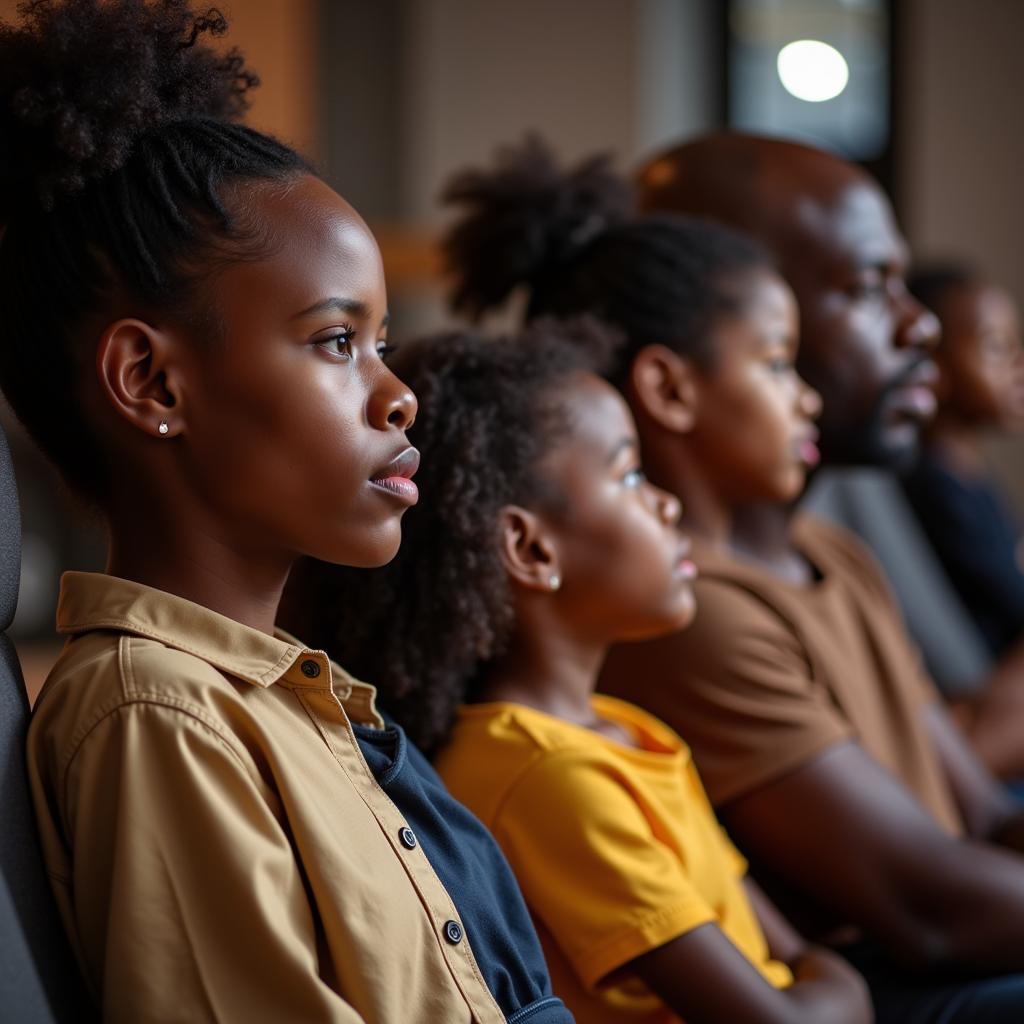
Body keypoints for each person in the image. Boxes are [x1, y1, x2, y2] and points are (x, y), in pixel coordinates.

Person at [0, 4, 570, 1021]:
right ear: (153, 383)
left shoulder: (284, 695)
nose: (399, 395)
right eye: (336, 340)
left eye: (383, 341)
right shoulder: (160, 715)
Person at [437, 135, 1024, 1022]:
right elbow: (918, 912)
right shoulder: (676, 622)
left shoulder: (830, 558)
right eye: (864, 289)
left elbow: (971, 814)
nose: (920, 328)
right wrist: (833, 982)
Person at [287, 313, 871, 1024]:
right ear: (532, 551)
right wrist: (842, 985)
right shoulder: (546, 775)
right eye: (630, 475)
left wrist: (823, 981)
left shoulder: (625, 733)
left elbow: (786, 957)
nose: (668, 503)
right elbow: (786, 1000)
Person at [902, 265, 1024, 659]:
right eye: (995, 345)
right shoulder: (935, 489)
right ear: (934, 364)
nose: (1017, 364)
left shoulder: (969, 476)